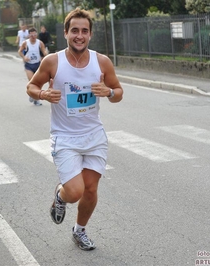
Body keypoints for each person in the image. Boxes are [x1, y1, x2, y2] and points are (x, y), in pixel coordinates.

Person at [26, 8, 123, 251]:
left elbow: (118, 92)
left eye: (84, 31)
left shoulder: (101, 62)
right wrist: (43, 93)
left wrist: (109, 92)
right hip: (65, 137)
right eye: (75, 31)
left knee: (90, 189)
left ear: (90, 34)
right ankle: (60, 196)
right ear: (66, 33)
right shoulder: (52, 62)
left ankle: (79, 231)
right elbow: (31, 86)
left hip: (94, 137)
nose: (79, 35)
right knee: (75, 191)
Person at [18, 27, 47, 106]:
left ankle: (36, 98)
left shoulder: (40, 43)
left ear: (36, 35)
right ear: (29, 35)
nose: (33, 36)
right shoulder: (25, 43)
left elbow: (44, 50)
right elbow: (20, 51)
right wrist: (24, 57)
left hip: (37, 64)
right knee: (31, 81)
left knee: (37, 83)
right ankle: (32, 95)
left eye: (34, 34)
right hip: (29, 65)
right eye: (31, 35)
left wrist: (45, 54)